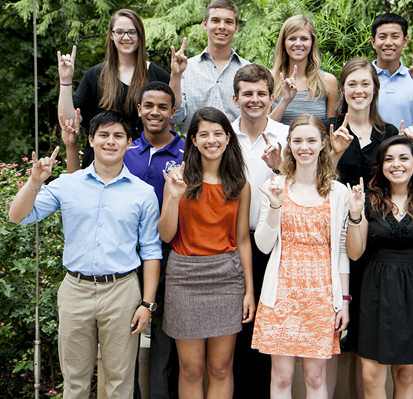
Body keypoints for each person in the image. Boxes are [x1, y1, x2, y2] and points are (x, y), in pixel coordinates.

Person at [9, 111, 162, 398]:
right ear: (91, 139)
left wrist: (147, 303)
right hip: (75, 289)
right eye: (103, 135)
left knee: (121, 381)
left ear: (129, 142)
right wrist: (34, 182)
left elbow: (151, 251)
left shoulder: (143, 193)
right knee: (75, 380)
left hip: (122, 291)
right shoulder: (67, 184)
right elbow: (17, 216)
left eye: (118, 136)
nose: (110, 142)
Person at [158, 107, 255, 399]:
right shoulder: (177, 178)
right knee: (190, 368)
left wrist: (250, 290)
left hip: (227, 277)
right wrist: (174, 198)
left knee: (221, 367)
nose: (211, 140)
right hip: (184, 276)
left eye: (217, 134)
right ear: (194, 140)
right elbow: (165, 234)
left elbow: (243, 240)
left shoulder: (240, 185)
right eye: (204, 134)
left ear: (228, 138)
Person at [251, 113, 350, 398]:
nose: (303, 147)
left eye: (311, 140)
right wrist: (274, 207)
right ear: (289, 145)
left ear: (323, 144)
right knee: (281, 377)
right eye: (297, 140)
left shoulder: (338, 193)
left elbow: (341, 251)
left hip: (321, 295)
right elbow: (263, 245)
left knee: (315, 377)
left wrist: (343, 300)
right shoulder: (275, 186)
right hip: (281, 293)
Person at [345, 135, 413, 399]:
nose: (396, 164)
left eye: (403, 158)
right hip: (376, 292)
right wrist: (355, 214)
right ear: (380, 165)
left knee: (405, 374)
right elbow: (355, 254)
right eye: (389, 159)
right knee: (370, 376)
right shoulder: (368, 201)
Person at [325, 56, 398, 399]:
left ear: (375, 88)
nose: (358, 90)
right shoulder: (328, 128)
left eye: (365, 83)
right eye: (352, 84)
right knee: (335, 332)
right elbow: (318, 181)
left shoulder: (389, 135)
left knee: (367, 338)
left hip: (378, 245)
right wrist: (335, 153)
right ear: (342, 89)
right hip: (336, 241)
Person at [230, 64, 289, 399]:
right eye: (247, 94)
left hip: (272, 243)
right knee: (235, 330)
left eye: (261, 94)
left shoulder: (285, 135)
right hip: (231, 242)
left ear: (271, 97)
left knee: (265, 334)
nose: (254, 100)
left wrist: (278, 167)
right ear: (236, 98)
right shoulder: (222, 134)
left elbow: (298, 188)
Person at [123, 81, 185, 399]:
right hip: (128, 254)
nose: (155, 112)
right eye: (148, 105)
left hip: (171, 252)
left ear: (173, 111)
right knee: (125, 335)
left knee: (164, 339)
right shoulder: (126, 150)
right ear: (139, 109)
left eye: (163, 106)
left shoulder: (189, 152)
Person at [57, 8, 170, 172]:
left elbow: (169, 124)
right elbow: (68, 123)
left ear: (140, 35)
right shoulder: (94, 76)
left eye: (132, 32)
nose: (126, 37)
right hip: (99, 166)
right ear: (111, 35)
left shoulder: (158, 75)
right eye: (120, 32)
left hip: (144, 166)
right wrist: (65, 81)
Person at [170, 0, 250, 136]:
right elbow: (176, 116)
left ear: (236, 28)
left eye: (229, 22)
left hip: (236, 151)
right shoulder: (186, 68)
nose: (222, 26)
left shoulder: (248, 71)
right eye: (216, 20)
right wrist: (175, 76)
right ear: (205, 24)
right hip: (195, 152)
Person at [269, 15, 339, 124]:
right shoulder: (269, 78)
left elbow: (331, 132)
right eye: (292, 38)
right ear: (283, 43)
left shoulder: (328, 81)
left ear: (312, 42)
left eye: (304, 38)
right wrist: (285, 101)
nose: (298, 43)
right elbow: (263, 129)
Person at [370, 13, 413, 129]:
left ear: (405, 41)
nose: (388, 43)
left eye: (395, 36)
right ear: (373, 42)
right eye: (382, 37)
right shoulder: (362, 78)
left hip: (410, 146)